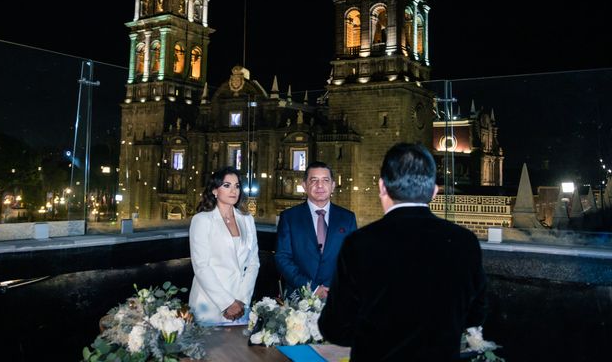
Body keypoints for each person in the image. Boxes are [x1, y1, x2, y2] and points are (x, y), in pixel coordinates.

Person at [318, 143, 488, 361]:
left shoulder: (360, 244)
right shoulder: (465, 242)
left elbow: (335, 327)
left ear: (382, 187)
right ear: (434, 192)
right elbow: (476, 314)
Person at [188, 167, 260, 325]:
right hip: (209, 303)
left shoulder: (247, 220)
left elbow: (254, 263)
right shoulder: (202, 220)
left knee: (239, 349)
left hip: (240, 305)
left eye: (237, 186)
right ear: (215, 190)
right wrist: (227, 303)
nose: (233, 190)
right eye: (227, 185)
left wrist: (241, 300)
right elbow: (201, 266)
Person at [275, 161, 357, 299]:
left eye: (325, 180)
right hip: (298, 297)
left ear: (333, 186)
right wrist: (311, 288)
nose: (320, 185)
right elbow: (282, 258)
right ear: (304, 186)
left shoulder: (347, 218)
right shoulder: (289, 217)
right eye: (314, 180)